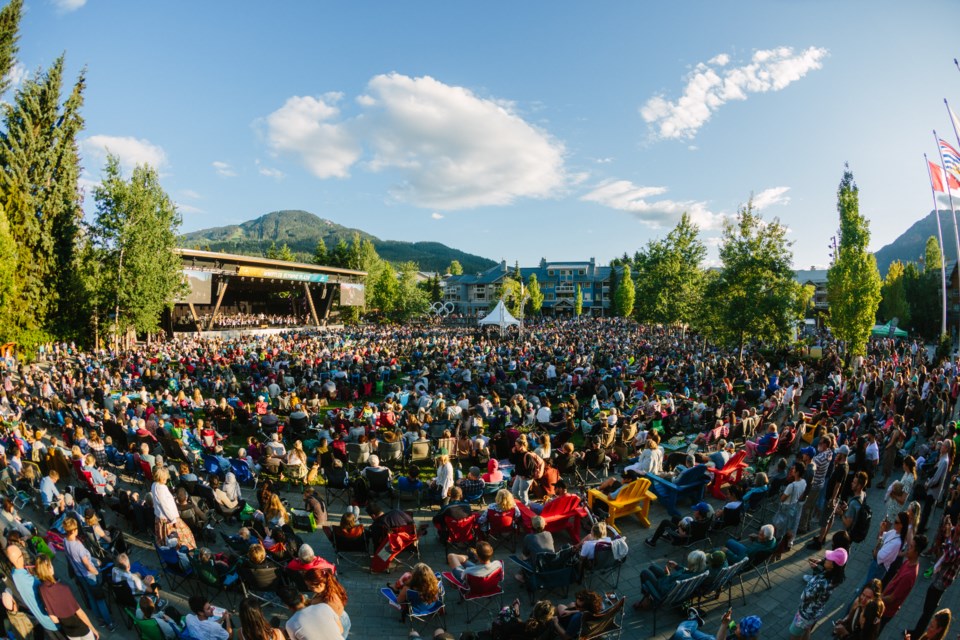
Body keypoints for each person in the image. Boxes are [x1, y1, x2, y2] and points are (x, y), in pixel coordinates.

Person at [62, 516, 115, 631]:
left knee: (91, 597)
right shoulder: (78, 547)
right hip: (88, 574)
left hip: (79, 574)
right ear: (74, 530)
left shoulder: (65, 541)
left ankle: (99, 620)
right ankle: (109, 622)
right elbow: (86, 564)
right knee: (99, 598)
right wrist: (95, 571)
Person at [909, 522, 960, 638]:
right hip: (937, 575)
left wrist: (947, 537)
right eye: (958, 524)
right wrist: (946, 527)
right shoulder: (954, 534)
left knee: (928, 611)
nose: (957, 528)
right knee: (927, 608)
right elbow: (942, 538)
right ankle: (918, 631)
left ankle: (918, 634)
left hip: (943, 581)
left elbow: (949, 556)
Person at [36, 554, 100, 640]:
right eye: (51, 565)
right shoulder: (64, 588)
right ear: (49, 568)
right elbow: (80, 613)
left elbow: (55, 620)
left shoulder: (41, 589)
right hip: (81, 628)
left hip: (69, 632)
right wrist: (93, 629)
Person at [788, 547, 847, 639]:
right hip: (816, 612)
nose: (826, 559)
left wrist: (812, 579)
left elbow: (806, 596)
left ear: (833, 565)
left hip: (805, 614)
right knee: (807, 629)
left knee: (794, 635)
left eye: (828, 559)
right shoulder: (834, 577)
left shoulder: (822, 583)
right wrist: (817, 568)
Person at [879, 535, 926, 632]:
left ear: (916, 552)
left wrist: (877, 600)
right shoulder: (907, 562)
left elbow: (892, 598)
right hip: (883, 601)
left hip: (886, 610)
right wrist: (882, 594)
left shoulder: (910, 575)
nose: (908, 548)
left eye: (911, 547)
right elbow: (894, 579)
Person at [152, 465, 196, 550]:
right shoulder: (161, 489)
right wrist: (173, 520)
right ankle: (185, 550)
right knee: (181, 536)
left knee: (166, 538)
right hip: (168, 518)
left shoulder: (154, 485)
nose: (166, 479)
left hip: (161, 516)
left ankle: (170, 549)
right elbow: (165, 506)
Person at [303, 567, 350, 639]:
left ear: (321, 585)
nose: (309, 589)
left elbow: (338, 630)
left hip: (338, 623)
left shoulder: (331, 602)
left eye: (311, 587)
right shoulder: (324, 590)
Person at [646, 502, 714, 548]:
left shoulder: (694, 524)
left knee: (665, 522)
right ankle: (668, 536)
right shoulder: (707, 520)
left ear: (698, 512)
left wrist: (679, 525)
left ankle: (652, 542)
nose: (694, 511)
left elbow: (682, 534)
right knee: (675, 517)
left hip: (684, 539)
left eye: (695, 510)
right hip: (697, 535)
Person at [671, 607, 762, 640]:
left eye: (740, 627)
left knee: (680, 632)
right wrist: (725, 623)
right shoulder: (741, 636)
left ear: (743, 634)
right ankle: (694, 621)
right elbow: (723, 637)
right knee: (686, 632)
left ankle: (694, 621)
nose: (737, 625)